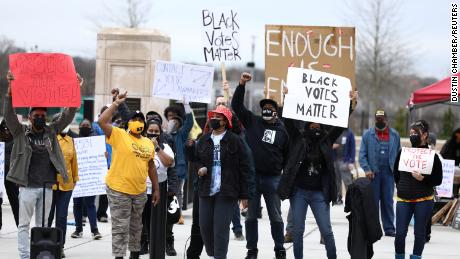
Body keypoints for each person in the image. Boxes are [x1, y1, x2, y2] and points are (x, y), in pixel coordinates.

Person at [4, 71, 79, 259]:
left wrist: (76, 87)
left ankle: (40, 253)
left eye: (43, 115)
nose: (40, 117)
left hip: (47, 187)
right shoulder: (20, 132)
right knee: (23, 225)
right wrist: (10, 88)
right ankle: (24, 255)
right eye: (36, 114)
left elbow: (68, 115)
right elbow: (8, 113)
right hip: (28, 187)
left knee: (44, 224)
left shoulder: (52, 131)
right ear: (30, 117)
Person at [277, 90, 358, 259]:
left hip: (319, 193)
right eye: (311, 124)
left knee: (326, 231)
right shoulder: (298, 138)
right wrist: (286, 98)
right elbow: (288, 121)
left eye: (318, 124)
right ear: (307, 123)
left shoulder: (326, 139)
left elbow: (341, 123)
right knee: (297, 231)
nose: (315, 126)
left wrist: (350, 104)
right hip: (299, 192)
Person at [232, 72, 289, 259]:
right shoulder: (253, 122)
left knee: (276, 216)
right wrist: (241, 85)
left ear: (276, 111)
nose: (267, 109)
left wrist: (283, 178)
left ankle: (279, 248)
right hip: (253, 178)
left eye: (270, 107)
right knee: (250, 217)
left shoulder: (283, 131)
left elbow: (287, 156)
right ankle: (252, 250)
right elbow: (237, 107)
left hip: (273, 178)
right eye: (264, 107)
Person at [98, 91, 160, 259]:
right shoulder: (119, 134)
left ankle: (134, 255)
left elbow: (151, 167)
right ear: (129, 122)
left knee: (136, 226)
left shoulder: (148, 142)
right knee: (120, 226)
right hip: (118, 189)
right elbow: (102, 121)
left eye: (141, 120)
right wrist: (116, 104)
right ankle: (119, 256)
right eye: (135, 120)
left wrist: (156, 189)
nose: (138, 123)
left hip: (139, 191)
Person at [187, 106, 250, 259]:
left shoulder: (235, 141)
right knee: (205, 227)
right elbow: (195, 159)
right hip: (206, 190)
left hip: (227, 191)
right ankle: (214, 253)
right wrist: (199, 167)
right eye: (213, 116)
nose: (214, 119)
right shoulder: (203, 139)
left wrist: (245, 195)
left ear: (225, 122)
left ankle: (219, 256)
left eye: (218, 117)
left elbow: (245, 168)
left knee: (221, 229)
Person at [393, 120, 443, 259]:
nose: (413, 135)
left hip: (424, 200)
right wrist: (403, 187)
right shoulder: (402, 153)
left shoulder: (433, 157)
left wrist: (424, 179)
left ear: (425, 135)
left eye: (416, 133)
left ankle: (416, 256)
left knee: (419, 233)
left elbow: (438, 180)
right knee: (400, 234)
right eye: (411, 133)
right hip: (404, 199)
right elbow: (396, 174)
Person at [359, 109, 401, 237]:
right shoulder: (367, 135)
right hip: (373, 174)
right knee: (372, 202)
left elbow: (399, 154)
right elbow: (362, 155)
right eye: (378, 118)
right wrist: (367, 169)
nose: (380, 120)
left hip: (389, 173)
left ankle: (389, 228)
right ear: (375, 119)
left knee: (388, 201)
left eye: (382, 118)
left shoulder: (394, 135)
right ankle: (372, 229)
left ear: (386, 119)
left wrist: (397, 172)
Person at [140, 119, 177, 256]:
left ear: (160, 133)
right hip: (141, 189)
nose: (153, 133)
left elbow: (169, 162)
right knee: (142, 221)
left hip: (158, 190)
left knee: (157, 224)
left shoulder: (165, 146)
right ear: (145, 131)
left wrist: (157, 148)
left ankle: (158, 249)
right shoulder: (139, 144)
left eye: (156, 131)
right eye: (151, 131)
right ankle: (143, 244)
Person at [164, 101, 194, 256]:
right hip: (163, 172)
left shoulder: (181, 135)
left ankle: (178, 214)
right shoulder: (160, 134)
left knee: (177, 194)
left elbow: (190, 122)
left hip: (178, 169)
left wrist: (187, 106)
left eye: (175, 119)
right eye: (169, 118)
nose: (172, 121)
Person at [47, 114, 79, 257]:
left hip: (66, 186)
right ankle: (46, 243)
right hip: (50, 184)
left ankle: (60, 246)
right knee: (47, 217)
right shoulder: (49, 140)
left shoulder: (71, 140)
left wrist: (75, 179)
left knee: (61, 216)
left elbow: (74, 162)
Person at [70, 119, 102, 240]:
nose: (85, 127)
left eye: (87, 125)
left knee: (90, 204)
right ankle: (78, 229)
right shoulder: (74, 141)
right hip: (77, 178)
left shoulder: (96, 142)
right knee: (77, 204)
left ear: (91, 127)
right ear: (79, 127)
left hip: (90, 178)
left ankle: (95, 230)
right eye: (83, 125)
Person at [0, 119, 19, 227]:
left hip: (12, 176)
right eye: (4, 129)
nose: (6, 131)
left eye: (9, 129)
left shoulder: (16, 142)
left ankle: (20, 226)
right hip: (1, 175)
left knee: (15, 201)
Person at [332, 128, 357, 204]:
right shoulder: (335, 132)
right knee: (336, 181)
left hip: (345, 161)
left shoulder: (349, 133)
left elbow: (353, 148)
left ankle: (351, 200)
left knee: (347, 181)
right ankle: (338, 198)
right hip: (335, 160)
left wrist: (351, 161)